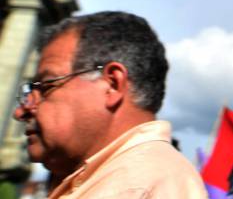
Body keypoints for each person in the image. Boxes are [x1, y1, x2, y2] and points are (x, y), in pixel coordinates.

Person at [12, 11, 207, 198]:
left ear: (112, 85)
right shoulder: (119, 181)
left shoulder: (138, 187)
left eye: (46, 86)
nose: (21, 111)